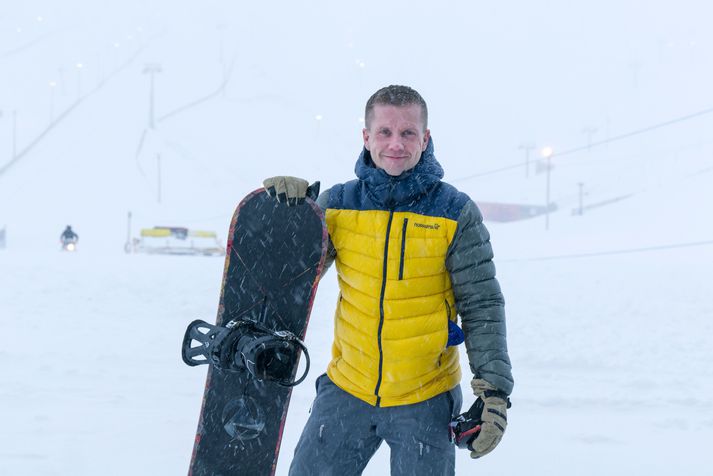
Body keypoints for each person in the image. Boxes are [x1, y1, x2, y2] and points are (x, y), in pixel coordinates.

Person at [263, 85, 513, 475]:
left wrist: (494, 393)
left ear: (425, 138)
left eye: (408, 133)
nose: (396, 144)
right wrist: (288, 215)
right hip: (348, 389)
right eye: (384, 132)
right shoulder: (338, 205)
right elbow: (289, 278)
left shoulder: (454, 212)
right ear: (366, 137)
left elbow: (482, 306)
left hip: (425, 397)